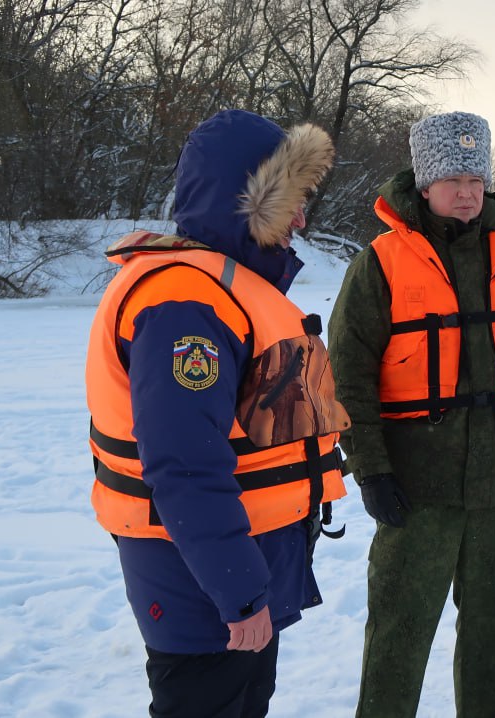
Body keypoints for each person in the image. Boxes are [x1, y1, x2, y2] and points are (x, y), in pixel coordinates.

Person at [85, 109, 349, 716]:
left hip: (236, 566)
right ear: (244, 203)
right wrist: (237, 593)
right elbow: (183, 464)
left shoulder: (225, 286)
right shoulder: (185, 303)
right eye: (289, 202)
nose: (301, 220)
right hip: (201, 582)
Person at [327, 111, 495, 717]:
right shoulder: (382, 262)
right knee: (400, 633)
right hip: (415, 484)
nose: (466, 192)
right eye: (452, 179)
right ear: (424, 182)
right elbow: (348, 376)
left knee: (491, 629)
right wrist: (372, 470)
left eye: (475, 178)